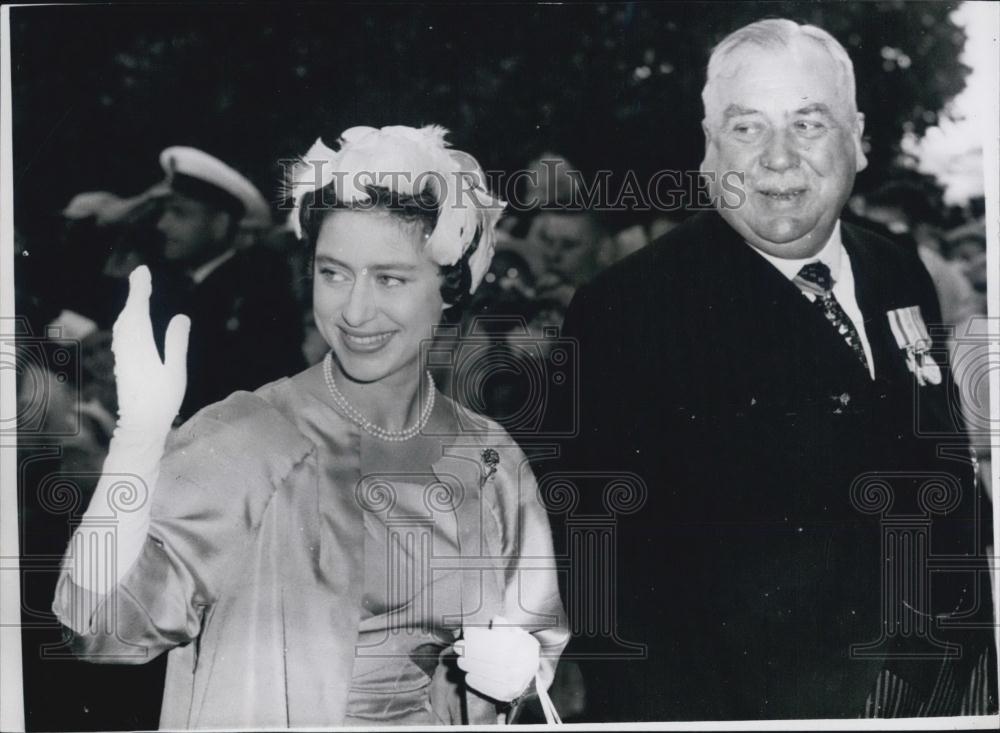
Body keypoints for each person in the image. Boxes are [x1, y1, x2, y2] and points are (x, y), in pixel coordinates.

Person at [546, 19, 996, 720]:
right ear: (707, 148)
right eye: (747, 129)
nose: (778, 159)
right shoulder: (628, 310)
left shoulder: (896, 270)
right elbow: (609, 590)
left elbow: (939, 471)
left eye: (808, 123)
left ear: (859, 136)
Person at [52, 125, 569, 728]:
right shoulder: (247, 434)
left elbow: (531, 650)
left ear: (450, 288)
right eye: (333, 273)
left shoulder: (490, 458)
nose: (353, 310)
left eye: (390, 278)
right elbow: (99, 628)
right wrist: (137, 444)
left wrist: (518, 675)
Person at [151, 147, 306, 417]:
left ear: (220, 224)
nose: (162, 225)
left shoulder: (256, 299)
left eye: (180, 213)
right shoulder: (175, 286)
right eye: (164, 212)